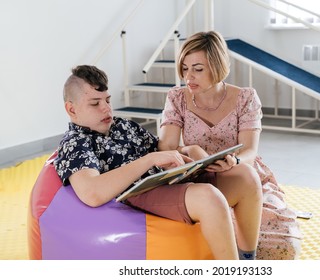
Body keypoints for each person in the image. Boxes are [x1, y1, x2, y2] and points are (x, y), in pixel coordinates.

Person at [53, 65, 263, 260]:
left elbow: (160, 149)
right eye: (95, 104)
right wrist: (149, 160)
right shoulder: (76, 142)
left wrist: (188, 150)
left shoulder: (124, 126)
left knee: (246, 176)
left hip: (168, 179)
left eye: (107, 100)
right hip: (142, 192)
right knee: (209, 198)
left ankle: (247, 259)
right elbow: (92, 193)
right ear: (71, 109)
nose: (106, 109)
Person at [158, 31, 302, 260]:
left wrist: (233, 161)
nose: (189, 77)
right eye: (185, 68)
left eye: (198, 69)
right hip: (197, 175)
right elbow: (166, 147)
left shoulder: (245, 98)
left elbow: (249, 151)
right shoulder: (177, 98)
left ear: (217, 65)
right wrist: (191, 151)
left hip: (241, 173)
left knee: (283, 245)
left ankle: (246, 259)